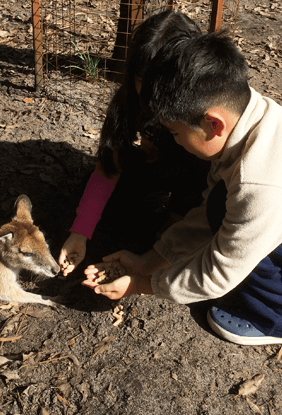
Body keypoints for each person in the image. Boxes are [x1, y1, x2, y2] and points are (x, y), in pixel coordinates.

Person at [82, 31, 282, 346]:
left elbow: (220, 270)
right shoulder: (255, 121)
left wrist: (140, 285)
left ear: (213, 124)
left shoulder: (263, 179)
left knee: (242, 234)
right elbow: (212, 208)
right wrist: (150, 260)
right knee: (221, 207)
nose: (176, 142)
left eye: (176, 132)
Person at [59, 10, 209, 276]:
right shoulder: (128, 102)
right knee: (82, 201)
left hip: (195, 181)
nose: (150, 94)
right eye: (143, 79)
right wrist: (79, 233)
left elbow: (199, 179)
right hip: (157, 168)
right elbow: (109, 165)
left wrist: (166, 238)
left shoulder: (202, 111)